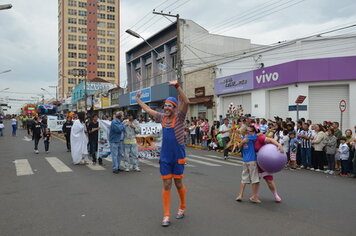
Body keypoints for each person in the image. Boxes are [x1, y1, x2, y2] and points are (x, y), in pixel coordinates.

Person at [134, 80, 189, 227]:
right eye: (165, 105)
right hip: (165, 156)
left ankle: (182, 207)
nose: (166, 108)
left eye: (169, 106)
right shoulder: (161, 118)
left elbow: (187, 102)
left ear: (175, 108)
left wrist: (177, 87)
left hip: (178, 156)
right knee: (166, 184)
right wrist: (138, 99)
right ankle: (166, 215)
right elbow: (148, 110)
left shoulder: (179, 118)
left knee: (178, 183)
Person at [236, 127, 260, 203]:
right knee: (255, 179)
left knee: (244, 178)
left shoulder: (243, 138)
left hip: (245, 160)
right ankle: (254, 197)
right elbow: (259, 135)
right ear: (247, 132)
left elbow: (239, 147)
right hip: (252, 160)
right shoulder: (250, 137)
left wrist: (242, 142)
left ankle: (240, 195)